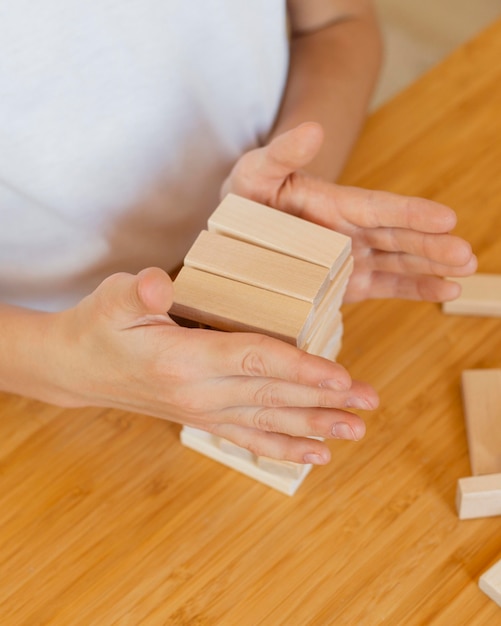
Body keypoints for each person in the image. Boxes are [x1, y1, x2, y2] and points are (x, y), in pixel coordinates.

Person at [0, 1, 476, 466]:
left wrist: (287, 193)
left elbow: (338, 20)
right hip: (45, 339)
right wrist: (59, 361)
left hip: (257, 208)